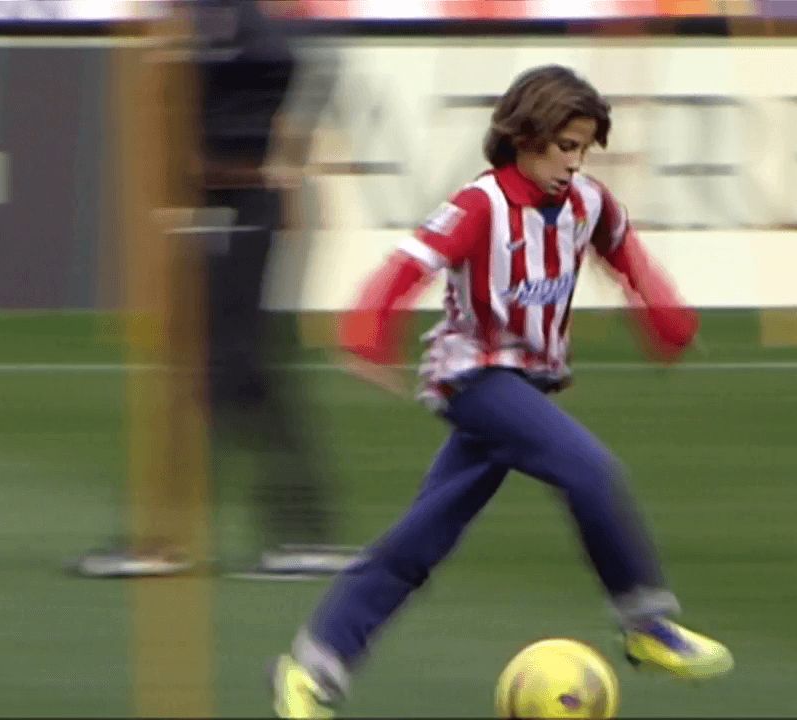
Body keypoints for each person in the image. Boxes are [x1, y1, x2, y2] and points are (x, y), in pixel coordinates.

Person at [270, 64, 733, 718]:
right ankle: (646, 623)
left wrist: (665, 317)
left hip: (530, 387)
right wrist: (369, 333)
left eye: (584, 149)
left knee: (418, 543)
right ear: (525, 136)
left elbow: (626, 255)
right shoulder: (479, 205)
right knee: (591, 472)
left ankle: (313, 665)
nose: (575, 162)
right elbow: (407, 267)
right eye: (564, 146)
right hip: (476, 379)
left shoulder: (587, 204)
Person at [73, 0, 356, 581]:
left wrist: (276, 155)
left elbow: (299, 69)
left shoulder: (231, 24)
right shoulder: (205, 21)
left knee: (221, 369)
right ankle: (300, 533)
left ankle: (169, 539)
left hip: (242, 204)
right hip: (216, 205)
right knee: (242, 371)